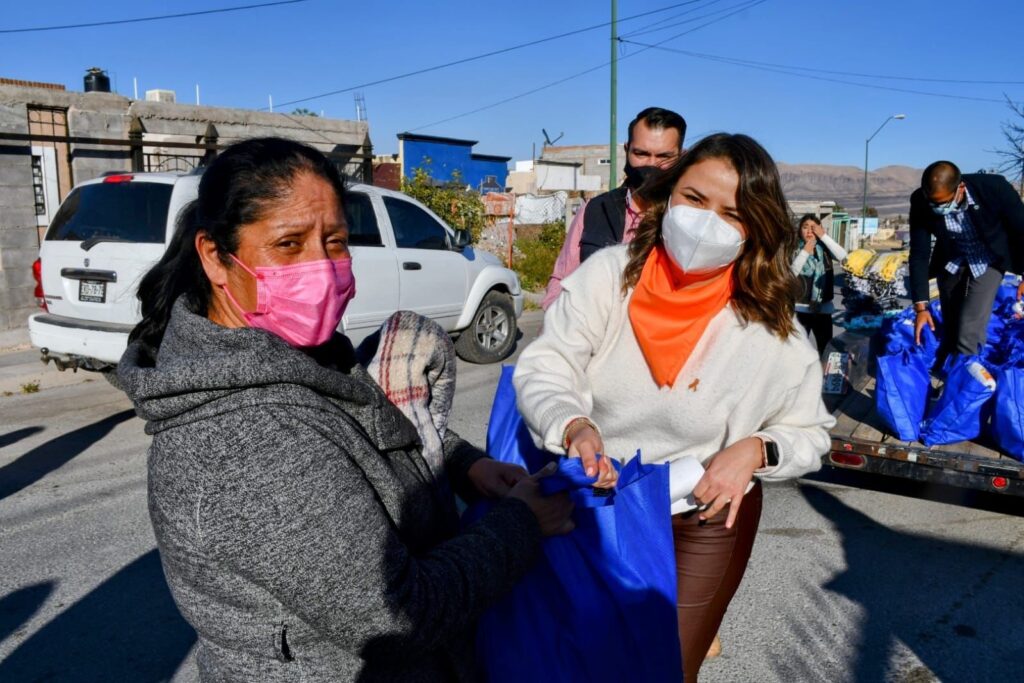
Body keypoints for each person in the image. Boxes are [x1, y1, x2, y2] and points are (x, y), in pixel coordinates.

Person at [116, 137, 574, 682]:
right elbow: (399, 616)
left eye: (334, 241)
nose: (322, 266)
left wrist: (463, 464)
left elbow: (356, 432)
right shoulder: (244, 441)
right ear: (215, 256)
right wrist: (522, 523)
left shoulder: (290, 354)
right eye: (289, 244)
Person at [514, 133, 834, 682]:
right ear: (668, 196)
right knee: (578, 659)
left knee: (664, 667)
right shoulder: (608, 276)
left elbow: (810, 432)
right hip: (597, 500)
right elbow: (548, 367)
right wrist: (572, 423)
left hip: (700, 514)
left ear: (755, 228)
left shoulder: (771, 328)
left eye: (732, 213)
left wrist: (756, 449)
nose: (706, 223)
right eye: (694, 199)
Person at [541, 106, 687, 309]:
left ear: (681, 157)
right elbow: (562, 280)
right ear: (627, 151)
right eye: (641, 154)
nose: (652, 165)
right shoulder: (595, 210)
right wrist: (556, 320)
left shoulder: (689, 218)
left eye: (664, 157)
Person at [910, 161, 1024, 356]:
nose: (938, 208)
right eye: (933, 204)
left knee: (969, 330)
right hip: (952, 259)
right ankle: (950, 365)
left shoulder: (994, 188)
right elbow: (919, 253)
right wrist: (921, 309)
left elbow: (1021, 230)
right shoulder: (920, 201)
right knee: (952, 326)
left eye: (944, 203)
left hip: (988, 259)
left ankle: (966, 373)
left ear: (960, 189)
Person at [791, 213, 848, 356]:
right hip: (800, 310)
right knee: (798, 354)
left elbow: (843, 257)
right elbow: (791, 275)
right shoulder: (793, 249)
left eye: (813, 227)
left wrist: (823, 236)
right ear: (800, 230)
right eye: (805, 227)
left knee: (826, 352)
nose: (809, 231)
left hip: (823, 310)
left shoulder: (825, 249)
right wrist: (805, 252)